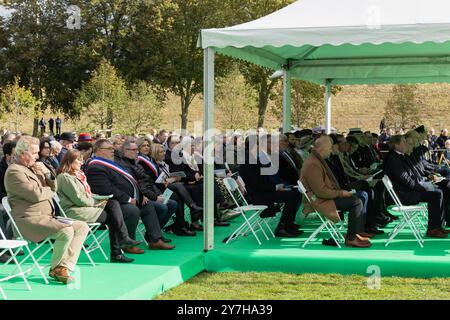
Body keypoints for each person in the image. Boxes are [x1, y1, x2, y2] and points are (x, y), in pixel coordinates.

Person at [4, 136, 89, 284]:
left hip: (47, 217)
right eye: (34, 153)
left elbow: (54, 187)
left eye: (37, 153)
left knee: (82, 227)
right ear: (23, 153)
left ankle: (63, 267)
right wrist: (49, 191)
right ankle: (57, 268)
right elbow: (36, 195)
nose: (37, 156)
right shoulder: (14, 171)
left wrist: (47, 174)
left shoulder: (33, 167)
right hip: (28, 220)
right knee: (66, 231)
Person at [85, 139, 174, 250]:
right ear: (98, 150)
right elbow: (107, 190)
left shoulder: (111, 163)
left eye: (112, 148)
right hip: (108, 203)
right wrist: (128, 199)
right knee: (132, 210)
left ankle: (155, 240)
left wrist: (140, 196)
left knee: (147, 205)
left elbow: (129, 182)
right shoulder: (95, 167)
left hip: (123, 198)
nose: (112, 151)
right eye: (108, 149)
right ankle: (127, 243)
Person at [57, 149, 140, 263]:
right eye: (78, 160)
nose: (81, 163)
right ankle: (118, 249)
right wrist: (97, 202)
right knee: (114, 217)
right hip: (74, 211)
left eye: (82, 160)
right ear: (70, 161)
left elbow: (86, 195)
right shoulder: (64, 177)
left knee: (113, 204)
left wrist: (100, 198)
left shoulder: (79, 176)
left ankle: (122, 241)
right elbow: (79, 199)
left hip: (85, 208)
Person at [300, 135, 372, 248]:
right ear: (322, 149)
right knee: (356, 202)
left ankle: (353, 234)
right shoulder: (313, 164)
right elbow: (321, 192)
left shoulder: (315, 160)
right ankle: (351, 237)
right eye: (329, 149)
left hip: (322, 197)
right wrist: (341, 193)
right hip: (319, 200)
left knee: (356, 199)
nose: (330, 151)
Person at [239, 134, 303, 238]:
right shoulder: (249, 162)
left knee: (295, 193)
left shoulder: (254, 160)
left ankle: (288, 224)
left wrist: (278, 186)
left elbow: (263, 182)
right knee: (293, 195)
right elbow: (256, 185)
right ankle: (282, 227)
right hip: (258, 195)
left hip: (264, 191)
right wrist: (276, 187)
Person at [383, 135, 448, 237]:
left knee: (438, 190)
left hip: (408, 190)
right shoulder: (394, 159)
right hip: (404, 195)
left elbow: (412, 177)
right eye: (404, 142)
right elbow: (407, 181)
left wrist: (427, 183)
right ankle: (433, 228)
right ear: (396, 145)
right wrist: (425, 187)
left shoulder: (400, 156)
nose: (406, 144)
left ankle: (437, 226)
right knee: (436, 193)